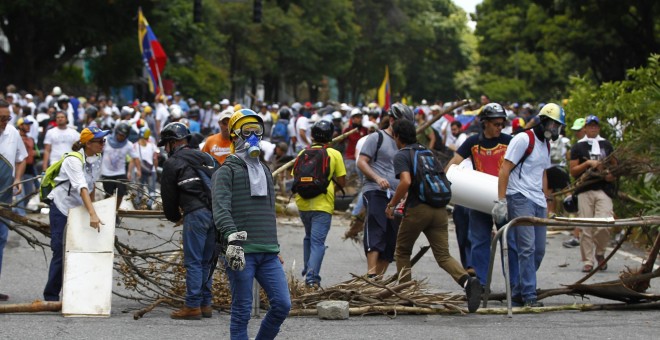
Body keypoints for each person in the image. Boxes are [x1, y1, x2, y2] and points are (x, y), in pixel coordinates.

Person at [387, 119, 482, 313]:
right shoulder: (426, 151)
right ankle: (467, 282)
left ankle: (407, 296)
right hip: (439, 209)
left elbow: (405, 181)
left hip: (418, 210)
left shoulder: (402, 155)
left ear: (397, 136)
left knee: (403, 251)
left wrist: (392, 204)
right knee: (443, 255)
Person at [213, 109, 291, 338]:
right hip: (241, 251)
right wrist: (232, 240)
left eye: (257, 131)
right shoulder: (226, 171)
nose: (253, 137)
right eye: (247, 132)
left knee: (282, 305)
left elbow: (267, 211)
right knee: (242, 310)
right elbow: (220, 210)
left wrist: (273, 246)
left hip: (268, 252)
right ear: (235, 136)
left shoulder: (265, 171)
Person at [494, 103, 565, 307]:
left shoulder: (546, 144)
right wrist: (501, 201)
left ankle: (518, 289)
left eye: (558, 125)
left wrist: (546, 196)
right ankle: (529, 295)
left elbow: (542, 172)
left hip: (538, 200)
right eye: (553, 124)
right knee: (527, 248)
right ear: (543, 121)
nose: (555, 129)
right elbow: (505, 169)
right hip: (519, 197)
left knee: (539, 250)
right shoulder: (524, 139)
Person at [444, 103, 517, 289]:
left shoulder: (510, 142)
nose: (500, 127)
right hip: (479, 197)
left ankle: (514, 286)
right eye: (496, 123)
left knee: (509, 242)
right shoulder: (472, 142)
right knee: (479, 242)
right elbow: (454, 163)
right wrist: (443, 183)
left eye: (502, 123)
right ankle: (481, 285)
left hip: (503, 197)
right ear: (485, 123)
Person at [159, 122, 216, 320]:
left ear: (172, 143)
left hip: (195, 213)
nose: (165, 148)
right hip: (215, 213)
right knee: (207, 261)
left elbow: (168, 197)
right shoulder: (205, 157)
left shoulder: (172, 163)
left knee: (193, 261)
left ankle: (192, 306)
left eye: (166, 144)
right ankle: (205, 304)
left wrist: (175, 217)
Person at [43, 127, 108, 301]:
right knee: (60, 249)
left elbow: (92, 185)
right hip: (62, 207)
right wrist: (93, 214)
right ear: (88, 143)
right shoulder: (73, 160)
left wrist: (92, 209)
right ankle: (51, 296)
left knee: (81, 248)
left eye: (104, 141)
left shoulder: (97, 158)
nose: (103, 144)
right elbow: (82, 187)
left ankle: (77, 294)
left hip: (79, 208)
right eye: (100, 141)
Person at [357, 103, 413, 277]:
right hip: (375, 190)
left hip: (396, 195)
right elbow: (361, 162)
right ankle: (371, 272)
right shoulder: (377, 137)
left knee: (392, 237)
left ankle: (377, 280)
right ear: (391, 120)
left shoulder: (404, 142)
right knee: (377, 227)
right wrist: (377, 178)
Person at [293, 120, 346, 287]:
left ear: (312, 136)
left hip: (302, 203)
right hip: (323, 204)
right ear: (331, 137)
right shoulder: (334, 154)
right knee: (318, 243)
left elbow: (295, 176)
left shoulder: (302, 153)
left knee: (309, 237)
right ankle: (311, 278)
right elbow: (342, 181)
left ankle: (308, 269)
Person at [569, 115, 617, 273]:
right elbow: (573, 170)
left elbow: (616, 167)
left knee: (605, 223)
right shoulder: (578, 147)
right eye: (590, 126)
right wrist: (588, 163)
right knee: (586, 226)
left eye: (595, 126)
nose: (593, 129)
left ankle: (600, 253)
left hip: (604, 189)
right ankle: (588, 261)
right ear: (585, 128)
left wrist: (611, 175)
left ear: (599, 128)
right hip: (585, 189)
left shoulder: (606, 145)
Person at [0, 99, 27, 301]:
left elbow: (21, 158)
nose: (5, 122)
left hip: (5, 196)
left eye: (7, 118)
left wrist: (18, 179)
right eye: (1, 118)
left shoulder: (13, 133)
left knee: (1, 240)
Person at [101, 123, 141, 212]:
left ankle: (115, 211)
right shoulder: (106, 141)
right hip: (107, 173)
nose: (121, 137)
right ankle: (107, 211)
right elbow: (97, 150)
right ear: (116, 133)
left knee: (121, 193)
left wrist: (138, 170)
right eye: (120, 135)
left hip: (120, 173)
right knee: (108, 194)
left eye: (123, 136)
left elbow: (135, 157)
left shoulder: (128, 145)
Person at [562, 117, 587, 248]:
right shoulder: (577, 146)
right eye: (575, 130)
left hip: (594, 185)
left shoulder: (595, 144)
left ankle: (619, 231)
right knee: (580, 212)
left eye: (579, 130)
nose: (577, 133)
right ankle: (576, 236)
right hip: (581, 184)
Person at [13, 118, 37, 217]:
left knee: (28, 193)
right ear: (20, 125)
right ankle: (22, 216)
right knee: (20, 193)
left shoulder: (30, 139)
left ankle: (15, 210)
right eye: (25, 124)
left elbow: (35, 152)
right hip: (18, 168)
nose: (28, 126)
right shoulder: (15, 137)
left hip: (29, 168)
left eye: (29, 125)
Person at [133, 127, 159, 210]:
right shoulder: (152, 145)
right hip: (146, 171)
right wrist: (155, 168)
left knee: (141, 188)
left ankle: (141, 205)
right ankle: (148, 204)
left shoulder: (136, 145)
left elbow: (155, 158)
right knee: (149, 188)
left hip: (143, 171)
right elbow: (155, 159)